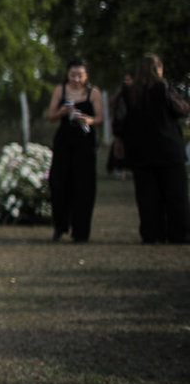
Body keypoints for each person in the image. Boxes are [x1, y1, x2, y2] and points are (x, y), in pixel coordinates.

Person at [117, 54, 189, 243]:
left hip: (141, 151)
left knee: (147, 196)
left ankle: (151, 233)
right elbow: (181, 110)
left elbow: (120, 121)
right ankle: (178, 233)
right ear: (159, 68)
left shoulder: (129, 93)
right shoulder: (164, 88)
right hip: (168, 148)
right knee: (175, 194)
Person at [45, 57, 103, 242]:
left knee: (83, 186)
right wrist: (62, 112)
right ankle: (60, 225)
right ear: (67, 74)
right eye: (72, 75)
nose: (76, 79)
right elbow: (51, 116)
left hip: (85, 143)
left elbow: (100, 118)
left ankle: (81, 230)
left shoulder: (93, 92)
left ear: (86, 76)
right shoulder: (60, 90)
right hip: (64, 142)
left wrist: (89, 120)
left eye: (80, 75)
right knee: (59, 183)